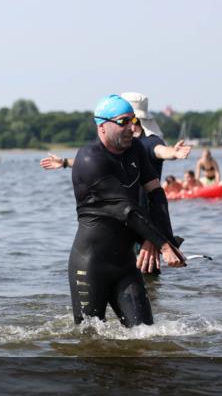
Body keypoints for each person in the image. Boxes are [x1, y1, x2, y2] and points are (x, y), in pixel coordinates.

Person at [68, 95, 185, 327]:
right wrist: (162, 244)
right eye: (123, 122)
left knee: (146, 335)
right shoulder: (90, 159)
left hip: (125, 265)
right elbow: (127, 210)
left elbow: (156, 194)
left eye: (133, 120)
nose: (132, 127)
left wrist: (161, 239)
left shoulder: (136, 150)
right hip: (91, 264)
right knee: (89, 342)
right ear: (102, 126)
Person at [40, 92, 190, 173]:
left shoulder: (149, 141)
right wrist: (65, 163)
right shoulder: (117, 143)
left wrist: (174, 153)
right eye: (122, 121)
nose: (128, 126)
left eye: (131, 120)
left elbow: (160, 151)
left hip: (146, 219)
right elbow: (97, 160)